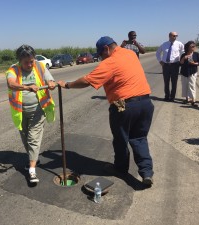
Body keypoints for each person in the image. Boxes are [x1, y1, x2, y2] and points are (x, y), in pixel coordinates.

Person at [57, 36, 154, 186]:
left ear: (106, 49)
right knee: (139, 138)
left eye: (101, 55)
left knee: (121, 140)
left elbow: (87, 80)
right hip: (145, 103)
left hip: (124, 105)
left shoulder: (110, 62)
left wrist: (67, 85)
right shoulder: (130, 54)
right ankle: (147, 173)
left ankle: (120, 169)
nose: (101, 58)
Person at [6, 44, 56, 183]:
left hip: (38, 111)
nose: (29, 64)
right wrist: (27, 87)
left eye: (31, 61)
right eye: (26, 62)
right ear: (19, 61)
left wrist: (51, 83)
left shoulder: (40, 66)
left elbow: (49, 79)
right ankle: (34, 159)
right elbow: (11, 83)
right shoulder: (13, 70)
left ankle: (32, 171)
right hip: (21, 112)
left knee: (33, 138)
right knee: (26, 138)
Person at [156, 32, 184, 102]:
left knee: (174, 82)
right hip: (166, 65)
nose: (175, 37)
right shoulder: (164, 44)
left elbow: (183, 53)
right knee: (166, 82)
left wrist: (181, 61)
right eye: (174, 36)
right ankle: (166, 96)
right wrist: (160, 61)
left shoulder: (179, 44)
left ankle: (172, 97)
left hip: (175, 65)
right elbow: (158, 53)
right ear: (169, 36)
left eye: (176, 36)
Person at [179, 41, 199, 107]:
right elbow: (180, 63)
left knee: (192, 86)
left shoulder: (196, 54)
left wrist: (194, 63)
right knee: (185, 86)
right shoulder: (184, 54)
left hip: (192, 72)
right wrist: (184, 58)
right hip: (184, 72)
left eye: (194, 46)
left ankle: (193, 100)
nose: (194, 47)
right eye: (192, 46)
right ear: (188, 47)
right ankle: (187, 99)